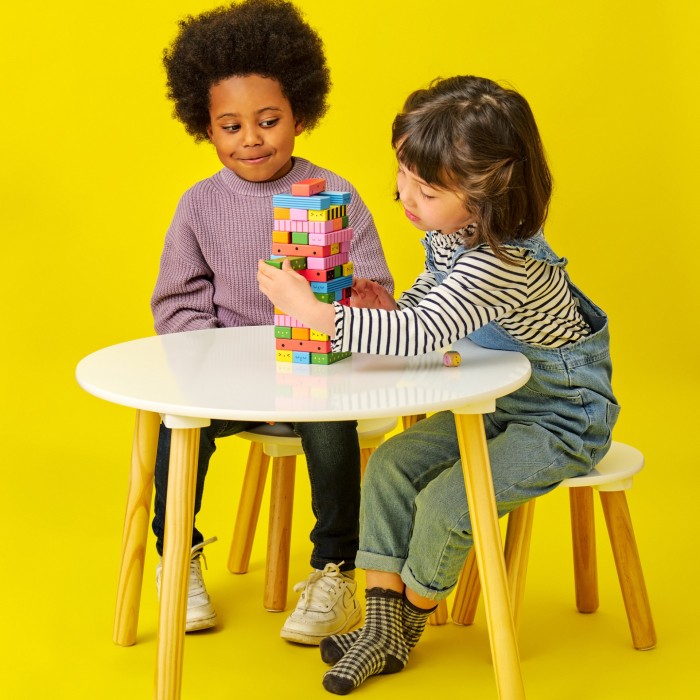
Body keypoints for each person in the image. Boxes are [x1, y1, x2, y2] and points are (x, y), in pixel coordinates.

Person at [257, 75, 620, 693]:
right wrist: (388, 310)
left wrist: (318, 314)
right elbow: (432, 305)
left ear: (488, 197)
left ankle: (403, 624)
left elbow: (425, 332)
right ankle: (381, 623)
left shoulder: (503, 262)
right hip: (498, 402)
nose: (405, 196)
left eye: (426, 190)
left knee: (448, 504)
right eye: (404, 175)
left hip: (562, 417)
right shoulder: (452, 233)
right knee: (390, 466)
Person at [151, 0, 393, 645]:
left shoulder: (335, 194)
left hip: (315, 374)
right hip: (231, 383)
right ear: (205, 128)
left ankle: (335, 568)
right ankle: (177, 554)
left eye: (268, 120)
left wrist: (364, 297)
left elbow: (378, 292)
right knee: (179, 427)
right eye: (231, 126)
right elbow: (176, 301)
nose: (251, 139)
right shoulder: (199, 205)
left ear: (300, 115)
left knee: (331, 428)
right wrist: (217, 360)